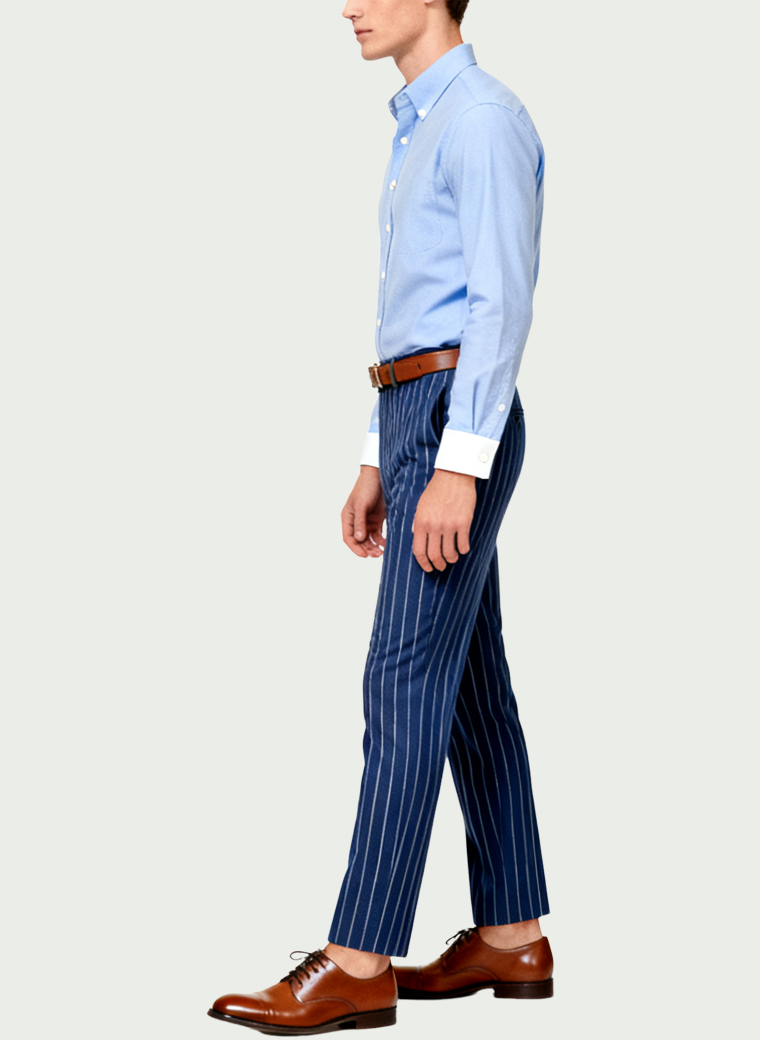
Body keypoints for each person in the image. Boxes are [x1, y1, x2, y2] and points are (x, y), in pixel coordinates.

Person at [208, 1, 552, 1033]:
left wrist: (458, 465)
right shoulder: (422, 125)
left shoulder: (480, 118)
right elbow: (413, 314)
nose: (347, 4)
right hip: (416, 410)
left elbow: (498, 305)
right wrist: (376, 455)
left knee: (400, 677)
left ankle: (358, 958)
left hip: (455, 417)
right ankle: (511, 934)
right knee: (469, 682)